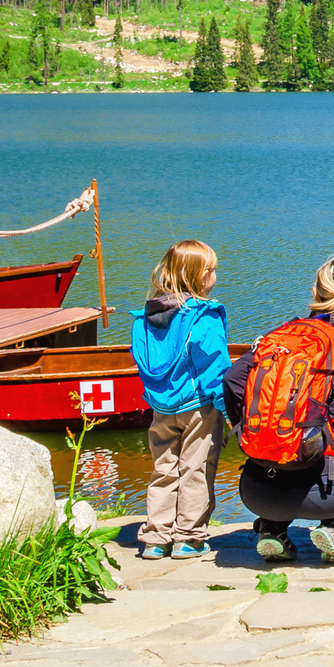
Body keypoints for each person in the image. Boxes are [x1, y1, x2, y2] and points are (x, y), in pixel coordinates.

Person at [223, 255, 334, 565]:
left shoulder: (278, 339)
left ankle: (272, 529)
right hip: (328, 494)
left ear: (315, 292)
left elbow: (233, 379)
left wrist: (248, 429)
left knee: (287, 448)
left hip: (257, 488)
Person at [130, 239, 231, 560]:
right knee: (196, 469)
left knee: (164, 469)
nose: (215, 275)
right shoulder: (204, 317)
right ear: (199, 277)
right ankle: (189, 537)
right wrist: (228, 409)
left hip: (162, 407)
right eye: (212, 270)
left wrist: (156, 397)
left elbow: (142, 362)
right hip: (197, 407)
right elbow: (216, 367)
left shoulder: (143, 319)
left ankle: (156, 539)